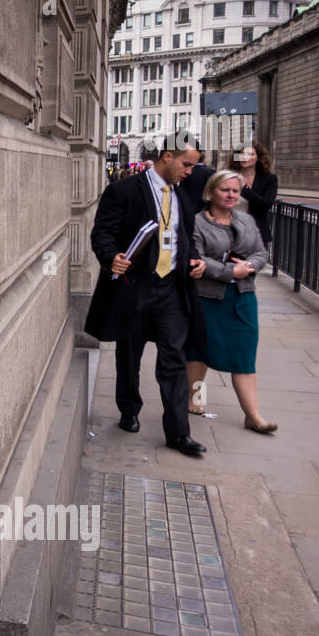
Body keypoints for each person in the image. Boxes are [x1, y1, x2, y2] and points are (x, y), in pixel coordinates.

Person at [85, 142, 209, 456]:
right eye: (186, 165)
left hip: (171, 289)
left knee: (173, 359)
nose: (189, 172)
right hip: (134, 286)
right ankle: (129, 409)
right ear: (167, 157)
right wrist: (110, 256)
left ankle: (179, 433)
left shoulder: (182, 194)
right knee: (130, 354)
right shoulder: (125, 190)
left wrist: (195, 260)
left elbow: (185, 237)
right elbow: (102, 232)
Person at [185, 170, 276, 433]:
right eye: (225, 190)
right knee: (199, 352)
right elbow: (196, 258)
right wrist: (229, 272)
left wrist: (249, 265)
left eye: (235, 191)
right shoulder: (197, 223)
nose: (231, 195)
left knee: (244, 354)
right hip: (208, 298)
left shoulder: (246, 220)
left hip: (243, 296)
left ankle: (253, 415)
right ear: (210, 192)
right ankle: (195, 399)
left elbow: (261, 251)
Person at [229, 140, 278, 247]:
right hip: (230, 233)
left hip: (257, 234)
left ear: (258, 158)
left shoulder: (269, 179)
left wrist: (244, 188)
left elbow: (266, 204)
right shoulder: (228, 176)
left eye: (250, 154)